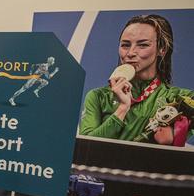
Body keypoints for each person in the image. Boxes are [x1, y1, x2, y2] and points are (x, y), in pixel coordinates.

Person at [79, 14, 194, 145]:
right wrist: (122, 108)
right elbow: (86, 148)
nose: (130, 53)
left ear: (162, 49)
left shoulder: (181, 99)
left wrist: (177, 134)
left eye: (143, 45)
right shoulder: (98, 97)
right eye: (125, 45)